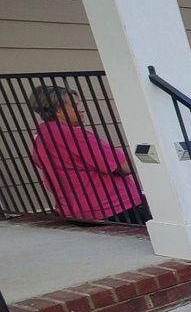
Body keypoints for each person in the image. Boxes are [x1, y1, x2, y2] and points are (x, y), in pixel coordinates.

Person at [28, 85, 149, 223]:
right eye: (75, 105)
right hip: (113, 207)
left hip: (75, 210)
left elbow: (39, 162)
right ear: (58, 111)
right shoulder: (75, 136)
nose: (81, 109)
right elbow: (123, 167)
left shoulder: (41, 135)